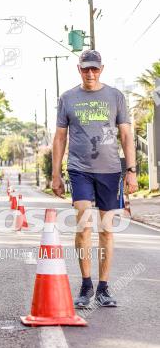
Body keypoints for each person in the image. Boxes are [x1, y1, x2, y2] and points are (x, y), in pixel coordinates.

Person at [52, 49, 137, 309]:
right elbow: (59, 138)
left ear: (102, 69)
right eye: (86, 68)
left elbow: (126, 136)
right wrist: (56, 174)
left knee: (107, 230)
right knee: (84, 225)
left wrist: (131, 171)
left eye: (95, 69)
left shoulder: (115, 96)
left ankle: (104, 287)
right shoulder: (67, 98)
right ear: (79, 69)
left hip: (110, 171)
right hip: (79, 170)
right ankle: (86, 284)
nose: (90, 73)